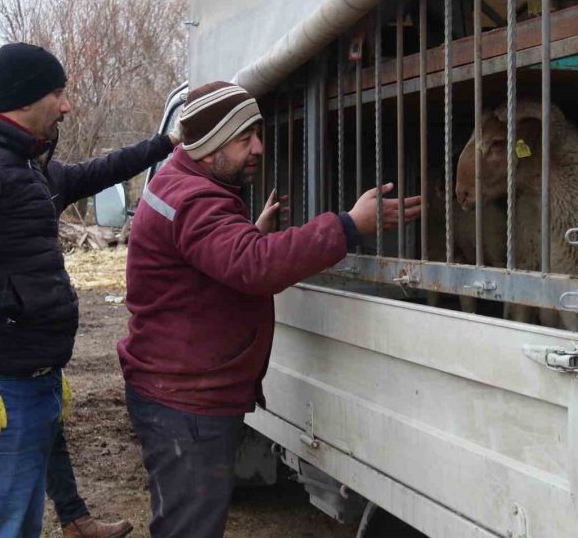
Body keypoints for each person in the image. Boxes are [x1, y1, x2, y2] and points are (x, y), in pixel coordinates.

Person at [117, 81, 422, 538]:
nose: (259, 147)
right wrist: (348, 225)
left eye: (257, 134)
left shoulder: (180, 181)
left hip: (176, 389)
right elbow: (254, 266)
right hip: (186, 401)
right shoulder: (195, 199)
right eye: (244, 139)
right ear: (209, 145)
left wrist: (246, 232)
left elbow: (217, 257)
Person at [0, 42, 171, 538]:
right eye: (58, 92)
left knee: (18, 526)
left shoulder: (21, 163)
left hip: (27, 382)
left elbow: (96, 173)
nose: (67, 105)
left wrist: (167, 143)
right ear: (26, 98)